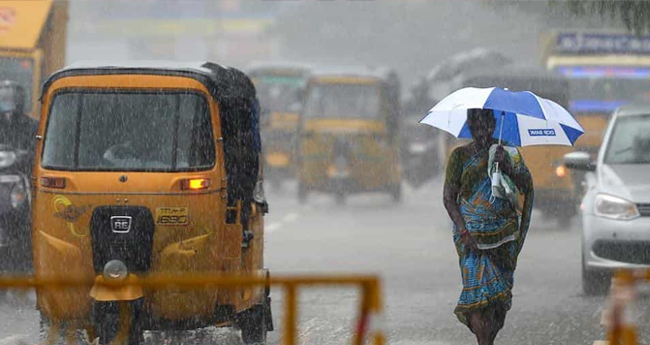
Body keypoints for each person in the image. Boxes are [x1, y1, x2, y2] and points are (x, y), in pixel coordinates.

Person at [442, 108, 534, 345]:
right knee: (476, 296)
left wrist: (507, 167)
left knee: (498, 301)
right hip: (470, 237)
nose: (481, 132)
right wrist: (464, 231)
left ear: (493, 126)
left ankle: (488, 339)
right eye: (476, 127)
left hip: (503, 237)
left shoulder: (508, 153)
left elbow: (526, 186)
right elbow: (448, 197)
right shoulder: (459, 157)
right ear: (470, 128)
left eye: (486, 126)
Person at [0, 80, 38, 172]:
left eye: (11, 99)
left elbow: (37, 152)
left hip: (22, 174)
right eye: (4, 99)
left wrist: (20, 155)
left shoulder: (31, 125)